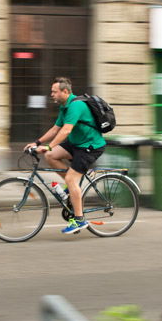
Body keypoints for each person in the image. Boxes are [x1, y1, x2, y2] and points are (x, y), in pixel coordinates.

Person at [24, 77, 106, 234]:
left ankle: (79, 220)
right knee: (50, 156)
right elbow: (55, 129)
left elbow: (66, 130)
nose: (52, 94)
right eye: (51, 92)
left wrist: (47, 146)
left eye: (54, 92)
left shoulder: (76, 106)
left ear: (65, 91)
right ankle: (72, 187)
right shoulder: (64, 107)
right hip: (76, 144)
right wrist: (37, 142)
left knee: (70, 178)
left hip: (90, 146)